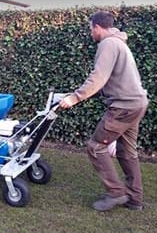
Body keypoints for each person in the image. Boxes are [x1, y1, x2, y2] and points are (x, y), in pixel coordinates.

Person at [59, 11, 149, 212]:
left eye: (91, 28)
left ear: (98, 27)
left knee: (95, 147)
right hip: (137, 103)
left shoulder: (108, 44)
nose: (91, 33)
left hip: (123, 107)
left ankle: (116, 193)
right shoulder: (120, 43)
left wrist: (74, 97)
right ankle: (135, 199)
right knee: (127, 152)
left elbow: (98, 78)